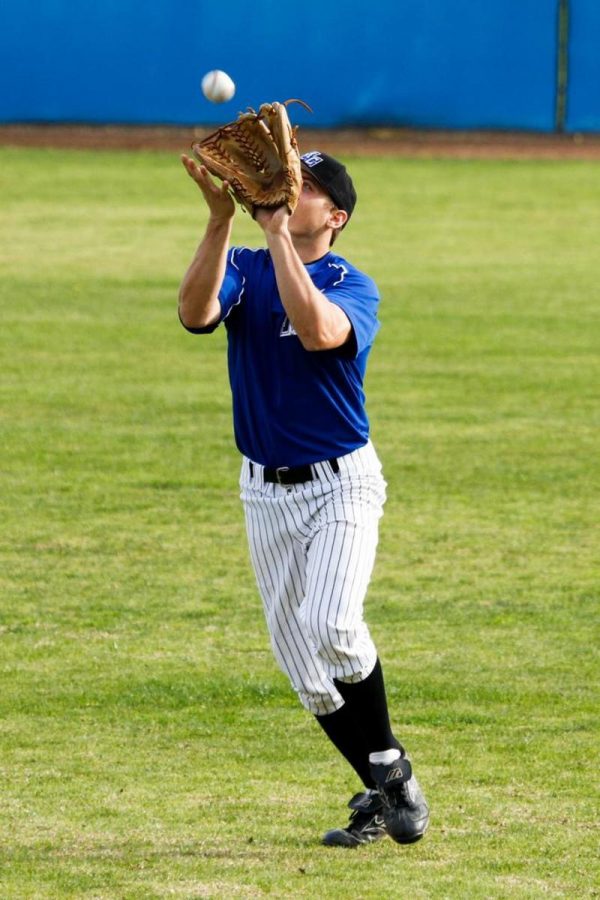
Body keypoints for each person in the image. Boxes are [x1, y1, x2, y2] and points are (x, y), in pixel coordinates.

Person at [178, 141, 429, 848]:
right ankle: (388, 782)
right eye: (289, 178)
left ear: (336, 216)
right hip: (264, 493)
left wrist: (272, 232)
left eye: (306, 186)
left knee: (332, 623)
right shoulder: (249, 267)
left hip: (341, 483)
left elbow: (319, 332)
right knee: (301, 666)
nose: (289, 189)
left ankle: (388, 765)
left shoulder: (355, 283)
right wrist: (221, 222)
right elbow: (196, 315)